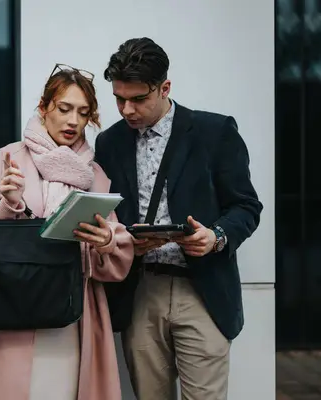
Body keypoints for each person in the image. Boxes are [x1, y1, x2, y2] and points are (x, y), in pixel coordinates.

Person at [0, 64, 135, 400]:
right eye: (64, 108)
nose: (73, 121)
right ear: (44, 108)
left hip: (70, 313)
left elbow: (117, 252)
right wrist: (7, 204)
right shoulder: (8, 158)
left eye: (83, 112)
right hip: (9, 310)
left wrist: (106, 242)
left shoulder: (95, 174)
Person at [95, 38, 263, 400]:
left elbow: (247, 206)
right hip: (140, 290)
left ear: (165, 87)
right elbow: (105, 215)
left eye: (138, 99)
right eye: (119, 99)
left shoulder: (214, 132)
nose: (126, 109)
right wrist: (124, 241)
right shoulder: (109, 143)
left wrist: (215, 236)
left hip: (201, 289)